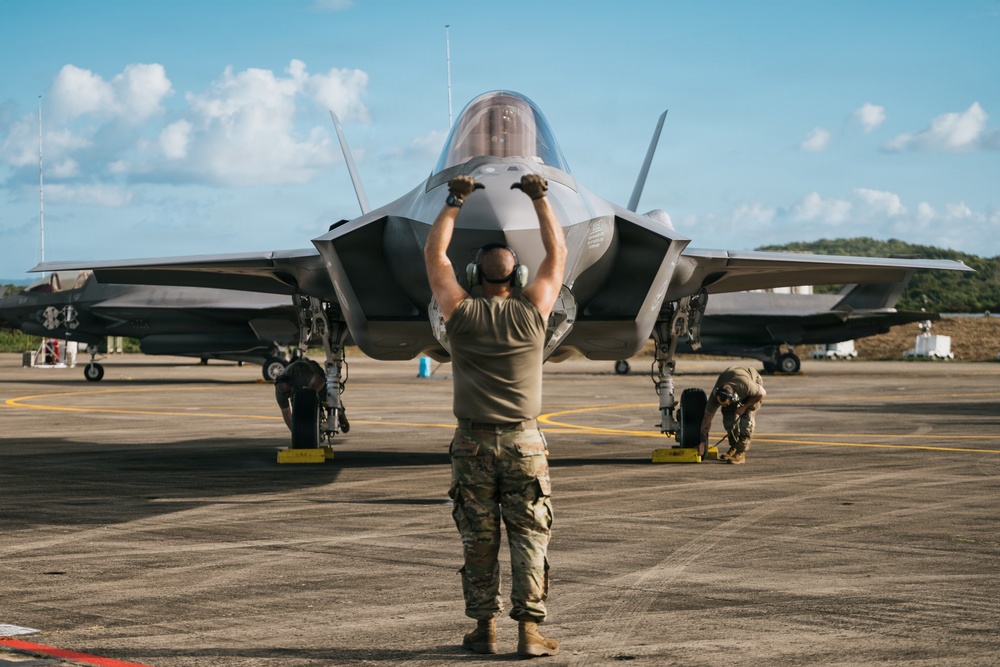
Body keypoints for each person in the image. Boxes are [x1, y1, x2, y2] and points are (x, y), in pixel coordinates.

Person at [424, 173, 566, 658]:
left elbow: (434, 255)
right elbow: (558, 253)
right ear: (518, 277)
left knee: (478, 542)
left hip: (472, 446)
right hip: (525, 445)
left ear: (473, 276)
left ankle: (484, 630)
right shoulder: (533, 311)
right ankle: (529, 634)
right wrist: (540, 198)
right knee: (530, 539)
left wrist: (455, 200)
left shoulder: (458, 312)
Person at [700, 365, 767, 465]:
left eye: (726, 403)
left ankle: (740, 453)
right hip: (733, 377)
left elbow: (762, 393)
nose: (724, 406)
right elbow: (707, 419)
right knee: (728, 419)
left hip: (753, 382)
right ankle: (734, 447)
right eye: (721, 404)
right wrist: (702, 442)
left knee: (746, 421)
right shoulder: (715, 396)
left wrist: (744, 407)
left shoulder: (746, 386)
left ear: (733, 398)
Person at [273, 358, 326, 431]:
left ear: (291, 385)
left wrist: (309, 398)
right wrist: (295, 432)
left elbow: (320, 381)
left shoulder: (300, 372)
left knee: (325, 397)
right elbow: (286, 414)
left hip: (314, 373)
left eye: (288, 392)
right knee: (296, 408)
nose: (287, 395)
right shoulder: (280, 393)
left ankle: (339, 414)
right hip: (297, 388)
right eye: (284, 394)